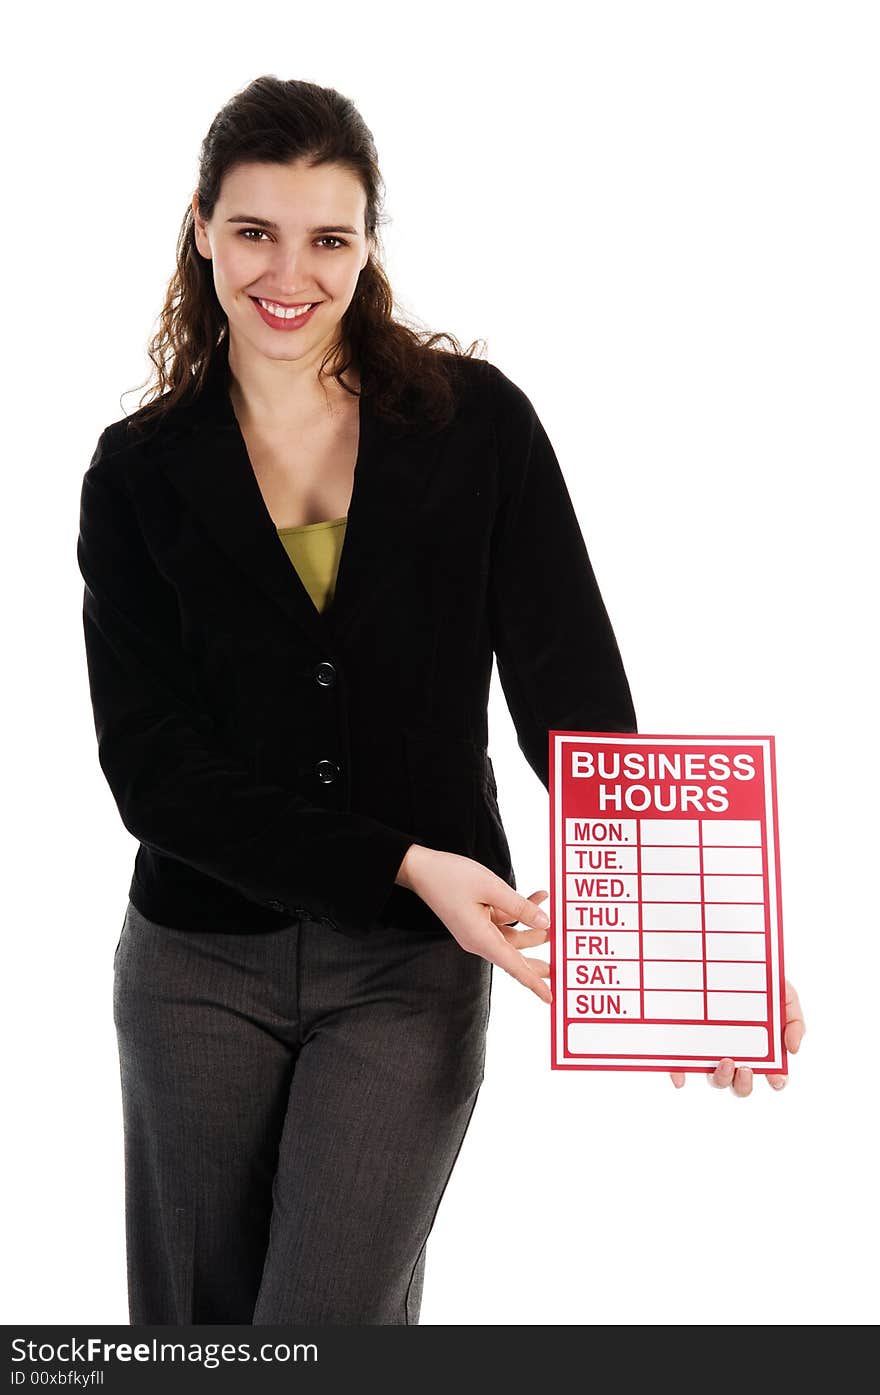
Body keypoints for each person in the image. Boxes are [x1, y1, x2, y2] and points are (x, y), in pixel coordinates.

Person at [77, 76, 804, 1327]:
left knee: (327, 1331)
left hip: (406, 977)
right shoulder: (137, 471)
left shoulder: (476, 432)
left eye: (330, 238)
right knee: (190, 1340)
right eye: (254, 232)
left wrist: (695, 968)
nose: (287, 273)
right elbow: (154, 770)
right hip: (195, 969)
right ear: (201, 229)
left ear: (369, 244)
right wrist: (407, 861)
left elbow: (574, 700)